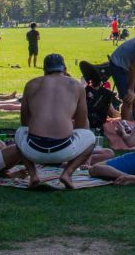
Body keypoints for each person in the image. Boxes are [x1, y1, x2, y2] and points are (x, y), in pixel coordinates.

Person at [15, 53, 97, 189]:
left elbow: (24, 121)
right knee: (90, 138)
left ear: (44, 70)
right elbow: (81, 124)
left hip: (33, 149)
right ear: (64, 69)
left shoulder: (31, 84)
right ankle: (67, 173)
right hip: (65, 149)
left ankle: (33, 175)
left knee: (20, 132)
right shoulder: (76, 86)